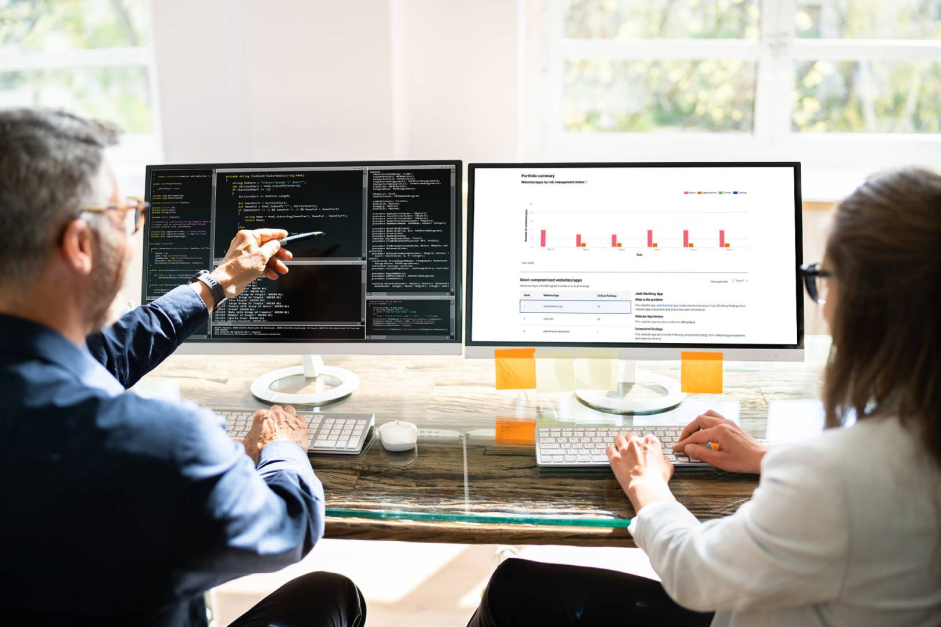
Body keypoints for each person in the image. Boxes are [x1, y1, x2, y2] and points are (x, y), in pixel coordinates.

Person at [468, 167, 941, 626]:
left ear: (862, 304)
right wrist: (766, 455)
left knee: (511, 589)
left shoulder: (837, 478)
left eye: (823, 276)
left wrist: (645, 483)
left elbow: (696, 575)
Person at [0, 109, 366, 626]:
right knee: (335, 596)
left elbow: (102, 356)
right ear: (81, 244)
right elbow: (290, 524)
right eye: (125, 216)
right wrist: (282, 448)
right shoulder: (158, 444)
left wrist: (217, 283)